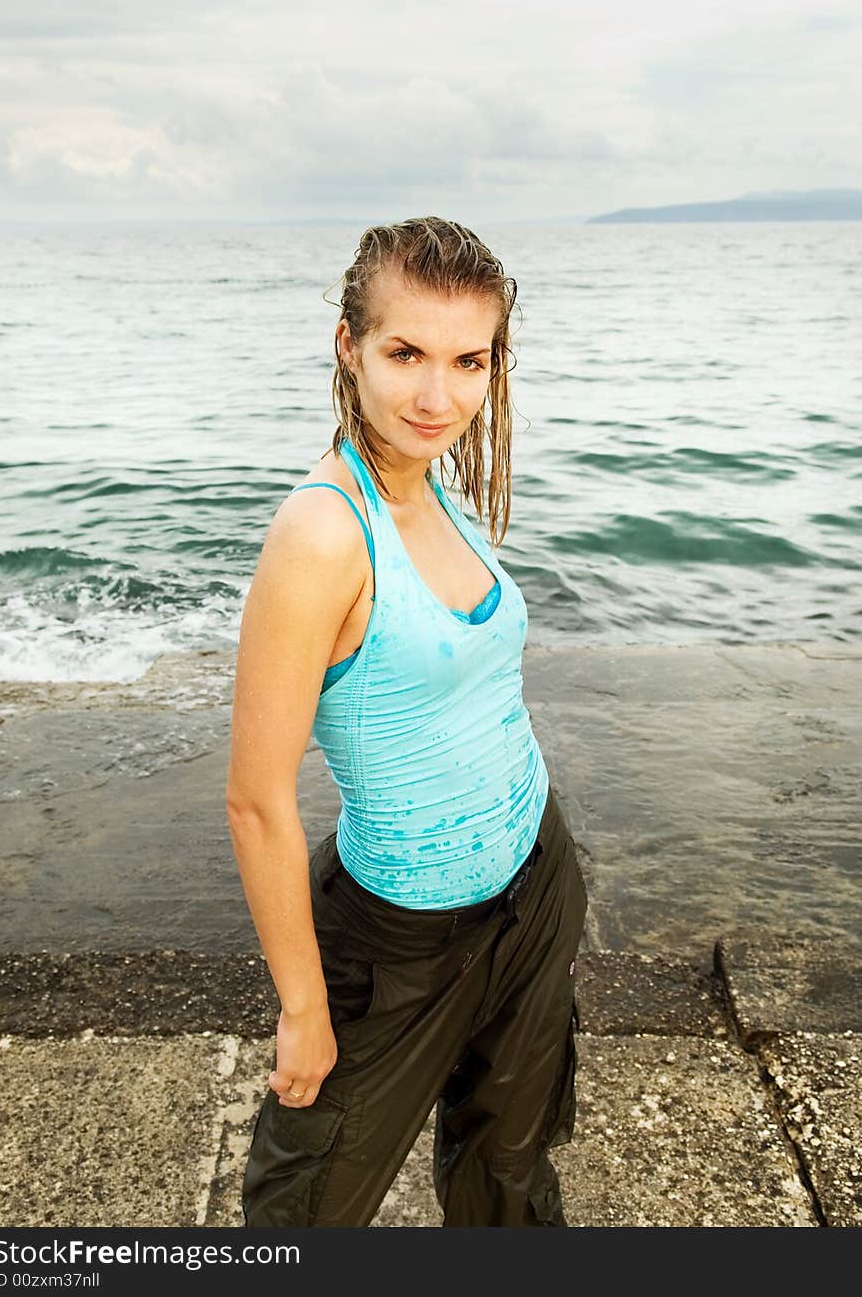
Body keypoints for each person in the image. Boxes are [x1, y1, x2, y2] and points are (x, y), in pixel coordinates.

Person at [225, 215, 588, 1228]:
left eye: (469, 360)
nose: (439, 396)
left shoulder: (434, 480)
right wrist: (303, 1007)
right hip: (399, 938)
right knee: (307, 1212)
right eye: (405, 353)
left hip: (535, 882)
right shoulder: (321, 533)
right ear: (349, 345)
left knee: (508, 1172)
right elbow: (256, 801)